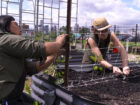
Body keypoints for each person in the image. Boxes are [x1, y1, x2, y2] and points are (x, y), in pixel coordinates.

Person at [0, 15, 67, 105]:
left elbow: (32, 68)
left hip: (13, 95)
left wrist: (55, 54)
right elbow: (37, 48)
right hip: (6, 98)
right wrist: (58, 43)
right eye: (15, 24)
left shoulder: (8, 46)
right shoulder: (5, 39)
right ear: (5, 25)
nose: (19, 27)